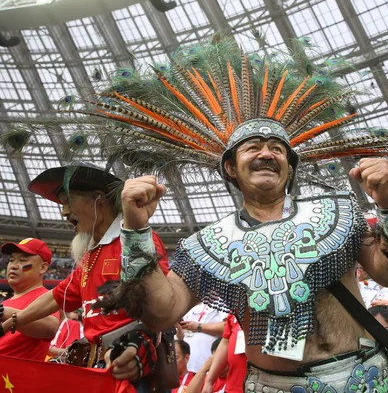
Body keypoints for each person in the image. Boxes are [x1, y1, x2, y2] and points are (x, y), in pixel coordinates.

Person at [80, 36, 388, 392]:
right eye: (253, 148)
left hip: (368, 381)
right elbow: (161, 312)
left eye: (277, 149)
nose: (267, 154)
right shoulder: (206, 245)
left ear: (290, 168)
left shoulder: (337, 212)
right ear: (231, 168)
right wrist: (136, 228)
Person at [6, 163, 170, 388]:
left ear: (98, 198)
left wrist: (142, 345)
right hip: (98, 371)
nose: (63, 212)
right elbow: (58, 295)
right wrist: (13, 322)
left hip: (130, 370)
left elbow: (166, 303)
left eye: (68, 202)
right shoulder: (92, 254)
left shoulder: (135, 242)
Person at [0, 238, 60, 361]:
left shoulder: (45, 298)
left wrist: (3, 312)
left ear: (43, 268)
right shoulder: (6, 302)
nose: (13, 266)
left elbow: (50, 327)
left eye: (22, 260)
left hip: (13, 377)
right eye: (11, 260)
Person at [178, 303, 226, 373]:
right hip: (186, 367)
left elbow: (227, 326)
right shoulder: (187, 304)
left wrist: (198, 327)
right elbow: (180, 337)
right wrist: (180, 328)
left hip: (206, 363)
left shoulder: (220, 302)